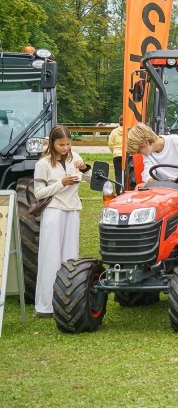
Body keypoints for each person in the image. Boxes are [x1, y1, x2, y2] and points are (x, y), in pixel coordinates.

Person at [32, 125, 91, 318]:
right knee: (50, 257)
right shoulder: (43, 164)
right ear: (52, 143)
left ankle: (69, 301)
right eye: (61, 144)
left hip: (72, 208)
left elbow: (91, 181)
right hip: (53, 210)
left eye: (68, 143)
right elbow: (39, 193)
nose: (65, 148)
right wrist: (60, 184)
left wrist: (85, 168)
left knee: (70, 257)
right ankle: (46, 305)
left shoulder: (76, 157)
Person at [126, 123, 178, 240]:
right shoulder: (149, 153)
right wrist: (150, 180)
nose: (140, 153)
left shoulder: (175, 142)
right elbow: (147, 171)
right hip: (166, 185)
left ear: (146, 142)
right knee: (139, 187)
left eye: (140, 149)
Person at [107, 115, 124, 186]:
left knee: (118, 175)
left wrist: (113, 151)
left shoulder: (114, 132)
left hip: (116, 154)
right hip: (126, 154)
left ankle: (118, 190)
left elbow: (110, 143)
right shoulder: (129, 131)